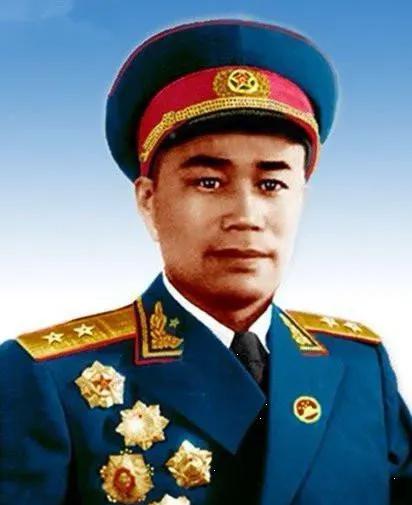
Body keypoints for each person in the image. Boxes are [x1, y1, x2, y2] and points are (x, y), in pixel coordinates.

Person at [0, 18, 411, 505]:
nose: (246, 216)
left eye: (272, 184)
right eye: (209, 182)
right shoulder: (49, 378)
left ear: (301, 198)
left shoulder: (358, 365)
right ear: (149, 201)